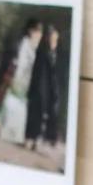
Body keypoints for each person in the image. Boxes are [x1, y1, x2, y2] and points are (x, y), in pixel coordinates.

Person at [0, 16, 42, 147]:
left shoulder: (34, 48)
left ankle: (12, 133)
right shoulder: (22, 45)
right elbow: (16, 64)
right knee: (7, 104)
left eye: (40, 32)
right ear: (31, 31)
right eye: (38, 31)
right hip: (14, 81)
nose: (40, 34)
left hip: (25, 85)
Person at [25, 23, 63, 155]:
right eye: (53, 40)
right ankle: (31, 139)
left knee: (45, 116)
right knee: (36, 114)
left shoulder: (54, 54)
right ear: (47, 40)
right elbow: (39, 76)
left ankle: (42, 139)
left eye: (56, 40)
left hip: (49, 91)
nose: (55, 43)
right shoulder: (42, 55)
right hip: (40, 92)